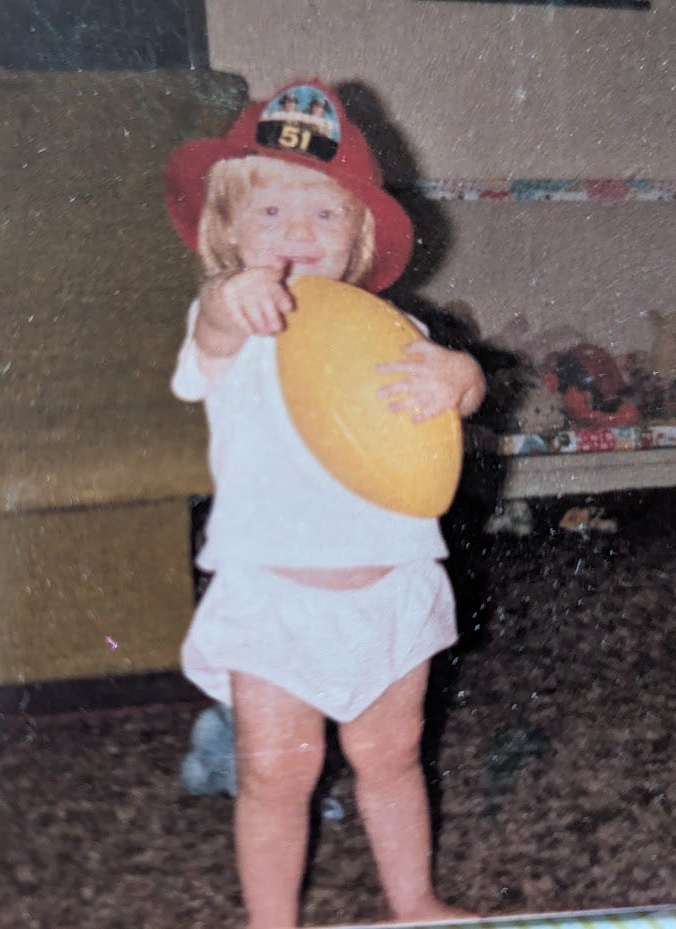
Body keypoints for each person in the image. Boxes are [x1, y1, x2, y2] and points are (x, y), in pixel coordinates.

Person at [164, 79, 483, 928]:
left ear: (360, 239)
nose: (298, 233)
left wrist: (462, 376)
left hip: (392, 588)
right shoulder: (239, 327)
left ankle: (412, 900)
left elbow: (459, 387)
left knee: (392, 756)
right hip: (275, 599)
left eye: (325, 214)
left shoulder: (390, 333)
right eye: (269, 215)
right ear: (227, 233)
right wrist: (227, 300)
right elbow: (211, 332)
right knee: (277, 771)